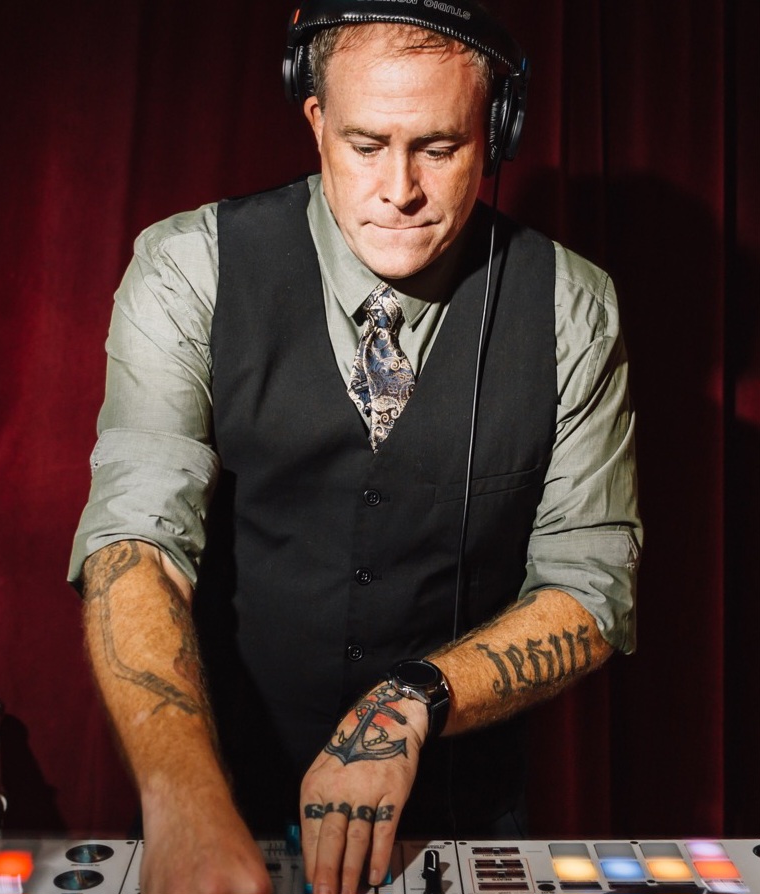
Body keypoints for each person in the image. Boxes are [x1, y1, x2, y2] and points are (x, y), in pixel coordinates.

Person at [69, 3, 641, 894]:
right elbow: (134, 541)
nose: (398, 189)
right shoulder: (187, 266)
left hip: (455, 823)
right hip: (216, 809)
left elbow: (591, 584)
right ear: (316, 121)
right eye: (366, 144)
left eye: (438, 148)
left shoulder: (572, 306)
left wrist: (410, 702)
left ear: (495, 135)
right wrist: (182, 799)